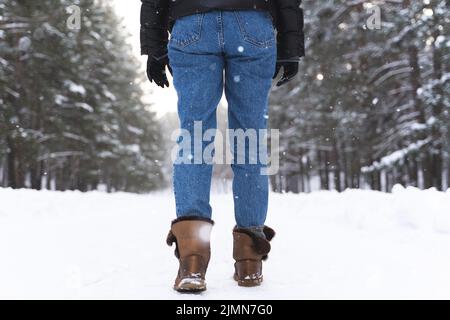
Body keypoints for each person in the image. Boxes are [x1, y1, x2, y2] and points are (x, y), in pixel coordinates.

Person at [140, 0, 304, 292]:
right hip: (252, 24)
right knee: (250, 139)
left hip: (191, 23)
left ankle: (192, 260)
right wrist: (291, 43)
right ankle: (249, 260)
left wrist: (153, 45)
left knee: (195, 137)